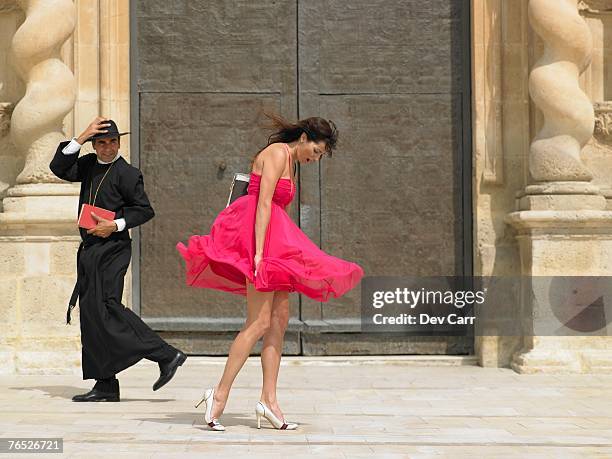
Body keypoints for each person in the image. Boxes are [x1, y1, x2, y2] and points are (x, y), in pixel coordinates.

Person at [177, 113, 364, 430]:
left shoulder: (291, 163)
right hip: (255, 241)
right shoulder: (277, 154)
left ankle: (269, 401)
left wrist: (287, 253)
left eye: (319, 156)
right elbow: (263, 204)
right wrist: (260, 254)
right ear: (303, 138)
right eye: (315, 152)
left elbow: (282, 214)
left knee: (278, 322)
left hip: (275, 245)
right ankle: (218, 395)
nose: (314, 159)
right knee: (259, 321)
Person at [50, 117, 187, 402]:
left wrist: (114, 225)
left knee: (108, 306)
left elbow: (144, 210)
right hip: (90, 249)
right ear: (94, 144)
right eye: (101, 142)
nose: (108, 148)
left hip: (113, 248)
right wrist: (80, 136)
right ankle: (105, 385)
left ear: (119, 143)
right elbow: (58, 167)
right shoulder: (87, 166)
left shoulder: (127, 173)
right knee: (91, 313)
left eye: (112, 142)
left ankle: (166, 354)